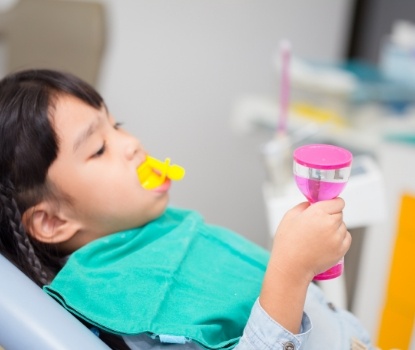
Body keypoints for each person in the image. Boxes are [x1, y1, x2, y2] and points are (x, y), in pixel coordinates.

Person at [0, 69, 374, 350]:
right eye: (99, 147)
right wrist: (291, 271)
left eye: (118, 126)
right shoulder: (127, 304)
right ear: (51, 220)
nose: (132, 144)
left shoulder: (160, 233)